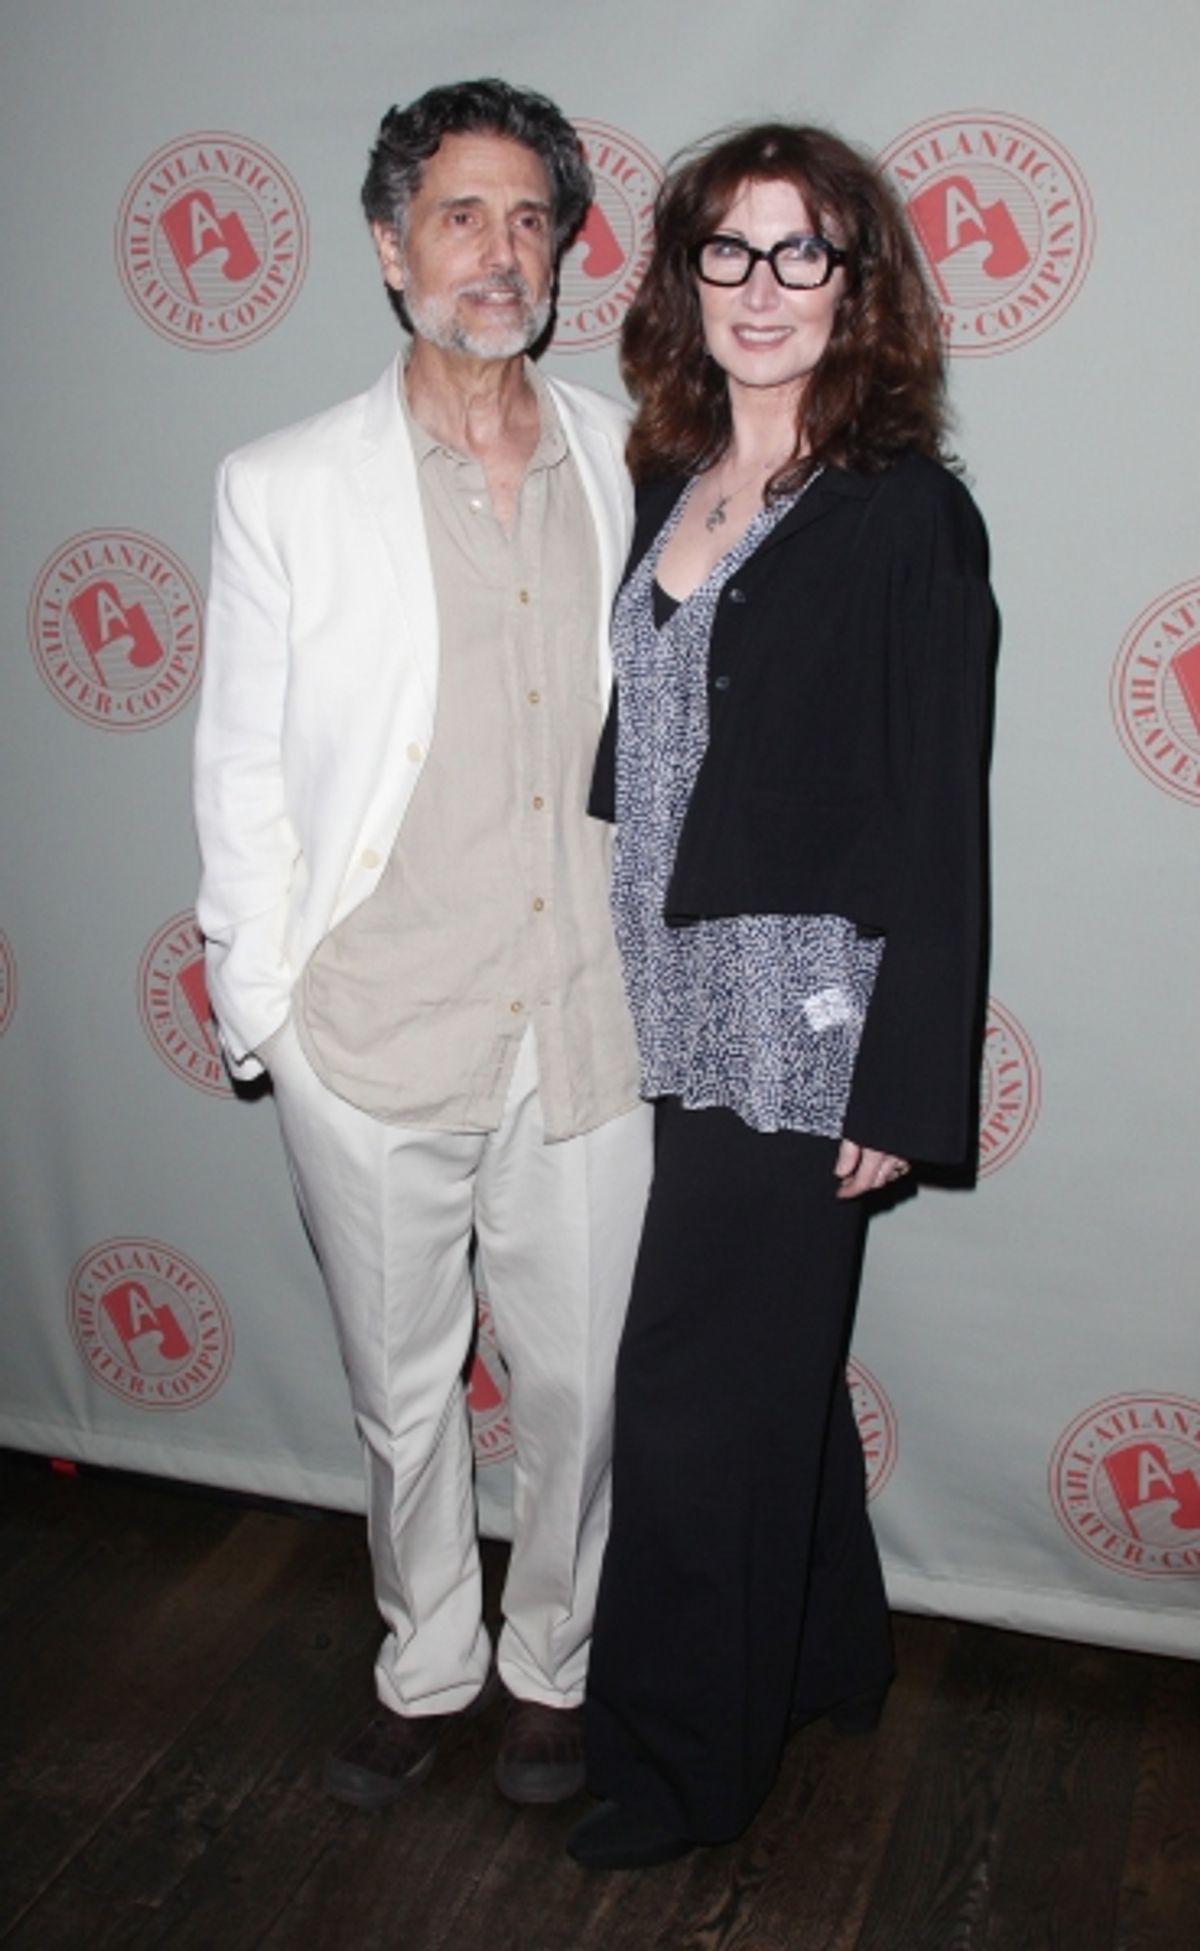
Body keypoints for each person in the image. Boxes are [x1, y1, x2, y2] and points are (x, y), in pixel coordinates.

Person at [193, 79, 653, 1813]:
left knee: (586, 1386)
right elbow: (240, 759)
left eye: (531, 216)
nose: (500, 250)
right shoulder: (281, 486)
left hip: (590, 1018)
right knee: (402, 1395)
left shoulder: (636, 457)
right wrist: (269, 1006)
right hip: (374, 1021)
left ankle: (554, 1665)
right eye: (461, 215)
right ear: (391, 246)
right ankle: (427, 1658)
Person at [566, 122, 997, 1869]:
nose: (760, 290)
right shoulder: (671, 475)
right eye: (726, 254)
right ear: (684, 281)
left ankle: (677, 1773)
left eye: (800, 252)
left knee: (685, 1387)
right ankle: (828, 1653)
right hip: (665, 981)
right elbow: (655, 732)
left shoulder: (908, 514)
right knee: (766, 1368)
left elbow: (938, 807)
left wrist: (898, 1088)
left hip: (804, 1014)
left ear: (858, 281)